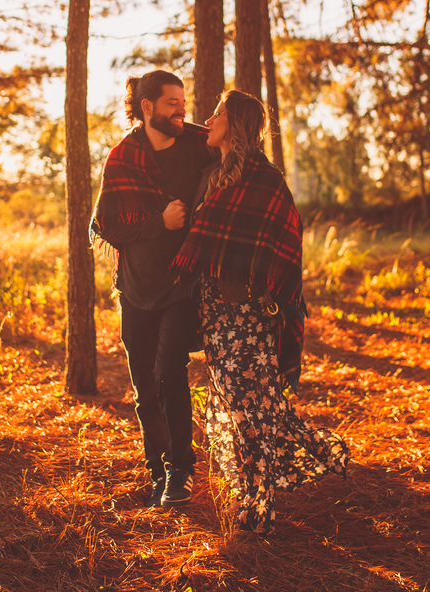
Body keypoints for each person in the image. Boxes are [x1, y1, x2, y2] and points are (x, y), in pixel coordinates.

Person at [173, 89, 349, 534]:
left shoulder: (266, 179)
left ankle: (259, 505)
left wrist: (265, 288)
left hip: (250, 314)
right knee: (242, 405)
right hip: (214, 313)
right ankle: (276, 477)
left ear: (236, 123)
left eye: (218, 113)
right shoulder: (211, 176)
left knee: (252, 408)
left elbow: (287, 240)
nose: (208, 119)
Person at [91, 70, 216, 507]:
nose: (182, 109)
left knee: (169, 376)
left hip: (181, 285)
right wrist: (157, 223)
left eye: (183, 101)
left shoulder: (198, 146)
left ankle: (181, 471)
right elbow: (106, 225)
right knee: (144, 386)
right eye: (171, 103)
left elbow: (239, 155)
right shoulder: (122, 158)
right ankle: (157, 470)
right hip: (136, 289)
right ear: (147, 108)